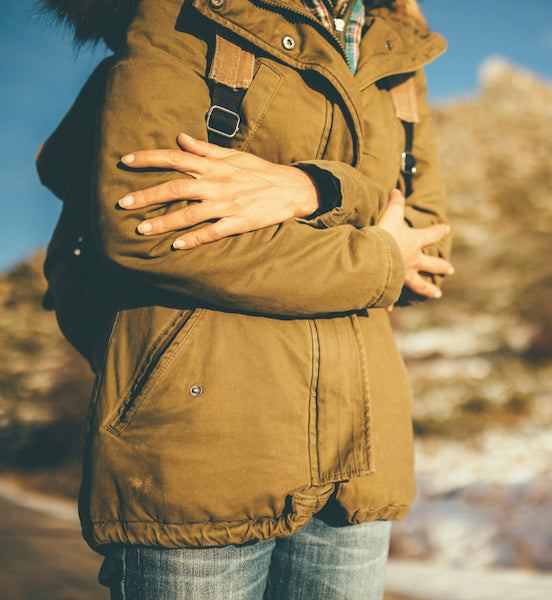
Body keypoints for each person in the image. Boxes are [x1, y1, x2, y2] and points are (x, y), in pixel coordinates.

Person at [36, 0, 452, 598]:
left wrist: (311, 189)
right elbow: (147, 225)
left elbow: (428, 243)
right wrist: (378, 252)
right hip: (202, 450)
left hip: (361, 460)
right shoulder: (179, 13)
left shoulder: (399, 49)